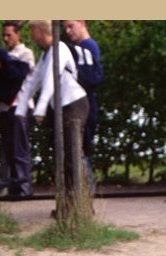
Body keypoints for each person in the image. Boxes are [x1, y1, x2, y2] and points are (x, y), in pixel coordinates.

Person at [16, 20, 90, 207]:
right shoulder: (45, 55)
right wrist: (20, 109)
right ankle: (68, 205)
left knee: (72, 156)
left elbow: (51, 78)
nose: (31, 35)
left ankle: (81, 206)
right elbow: (32, 82)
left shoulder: (60, 49)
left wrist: (40, 108)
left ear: (41, 30)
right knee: (63, 157)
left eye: (32, 30)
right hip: (62, 107)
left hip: (74, 103)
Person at [0, 21, 35, 196]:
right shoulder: (6, 56)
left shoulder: (25, 54)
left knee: (20, 150)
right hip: (4, 108)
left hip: (19, 106)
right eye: (4, 36)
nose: (6, 39)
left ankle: (24, 188)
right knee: (8, 151)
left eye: (9, 35)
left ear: (18, 34)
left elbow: (16, 75)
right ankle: (13, 187)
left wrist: (1, 57)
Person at [64, 20, 103, 193]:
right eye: (65, 27)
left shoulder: (87, 47)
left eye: (71, 26)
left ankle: (85, 195)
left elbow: (92, 78)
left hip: (84, 106)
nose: (68, 31)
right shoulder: (85, 47)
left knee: (80, 151)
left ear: (81, 22)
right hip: (85, 105)